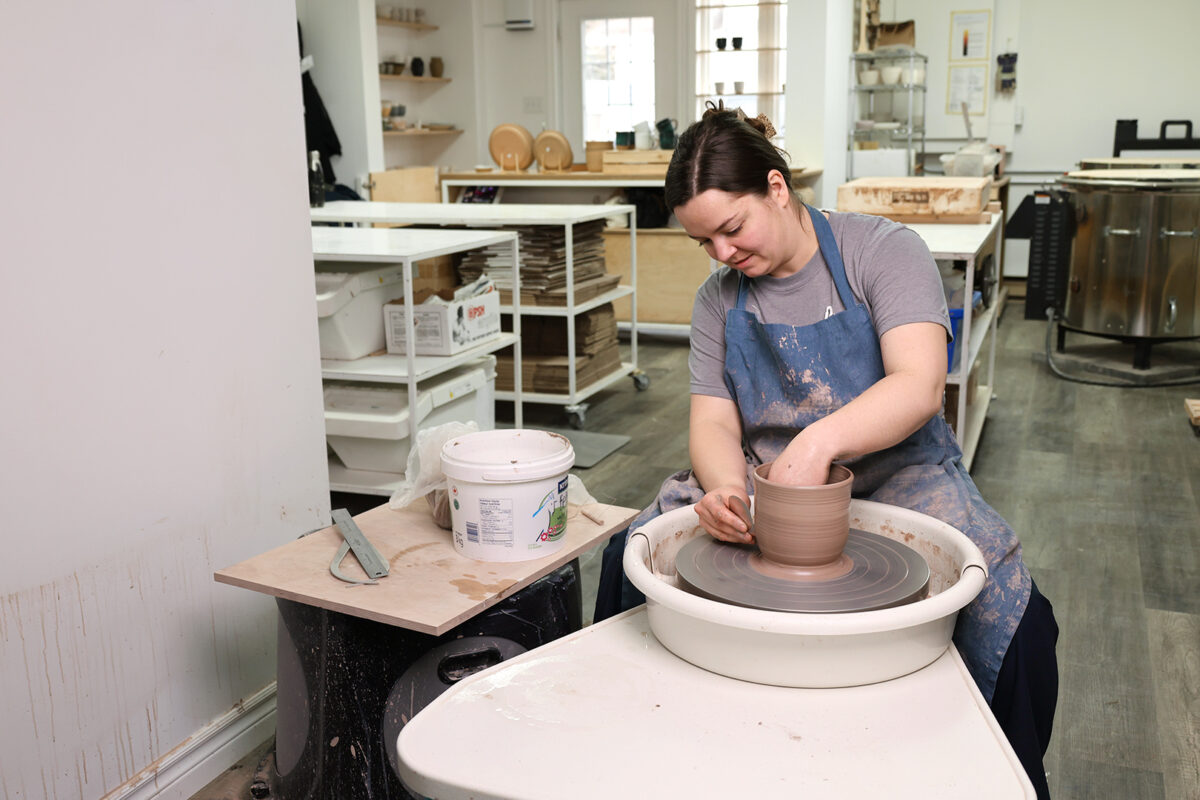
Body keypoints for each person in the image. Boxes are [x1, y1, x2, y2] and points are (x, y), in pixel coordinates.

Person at [594, 104, 1059, 798]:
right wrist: (726, 488)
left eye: (732, 229)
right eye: (703, 242)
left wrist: (818, 442)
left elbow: (919, 385)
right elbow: (713, 424)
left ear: (777, 188)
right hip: (765, 485)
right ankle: (638, 752)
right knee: (625, 560)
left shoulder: (882, 251)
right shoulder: (719, 300)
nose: (722, 254)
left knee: (1011, 609)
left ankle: (1003, 779)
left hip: (898, 473)